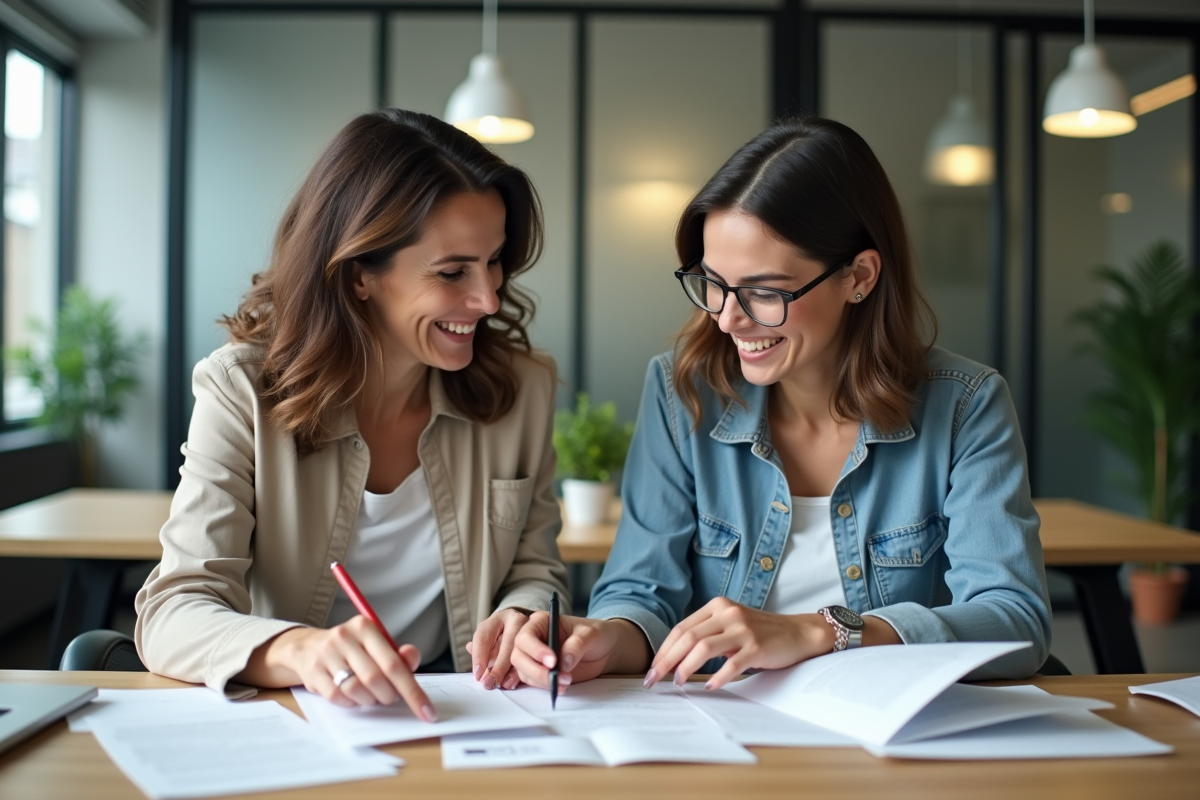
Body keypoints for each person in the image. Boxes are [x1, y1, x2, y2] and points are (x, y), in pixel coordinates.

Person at [512, 116, 1051, 693]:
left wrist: (825, 631)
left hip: (891, 732)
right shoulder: (681, 389)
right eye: (714, 283)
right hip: (725, 724)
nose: (727, 318)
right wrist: (603, 639)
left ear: (859, 278)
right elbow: (640, 591)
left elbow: (1015, 621)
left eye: (765, 292)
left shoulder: (965, 404)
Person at [136, 109, 570, 717]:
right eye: (452, 272)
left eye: (494, 261)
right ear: (361, 274)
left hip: (467, 713)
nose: (488, 298)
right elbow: (174, 611)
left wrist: (522, 615)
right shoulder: (242, 391)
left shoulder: (523, 390)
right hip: (293, 715)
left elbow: (535, 566)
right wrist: (302, 651)